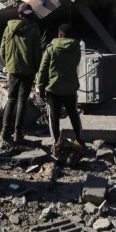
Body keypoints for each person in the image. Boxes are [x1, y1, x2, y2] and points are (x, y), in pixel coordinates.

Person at [37, 24, 86, 156]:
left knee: (54, 117)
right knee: (73, 114)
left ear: (59, 34)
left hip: (53, 89)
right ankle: (80, 139)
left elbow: (43, 69)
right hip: (70, 88)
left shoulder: (51, 48)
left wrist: (40, 87)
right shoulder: (77, 48)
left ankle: (56, 143)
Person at [0, 2, 41, 148]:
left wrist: (9, 63)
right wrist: (36, 68)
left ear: (19, 14)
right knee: (22, 101)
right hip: (28, 70)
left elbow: (2, 49)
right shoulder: (34, 29)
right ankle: (18, 133)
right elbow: (37, 53)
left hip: (13, 70)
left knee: (11, 99)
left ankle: (4, 132)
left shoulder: (8, 28)